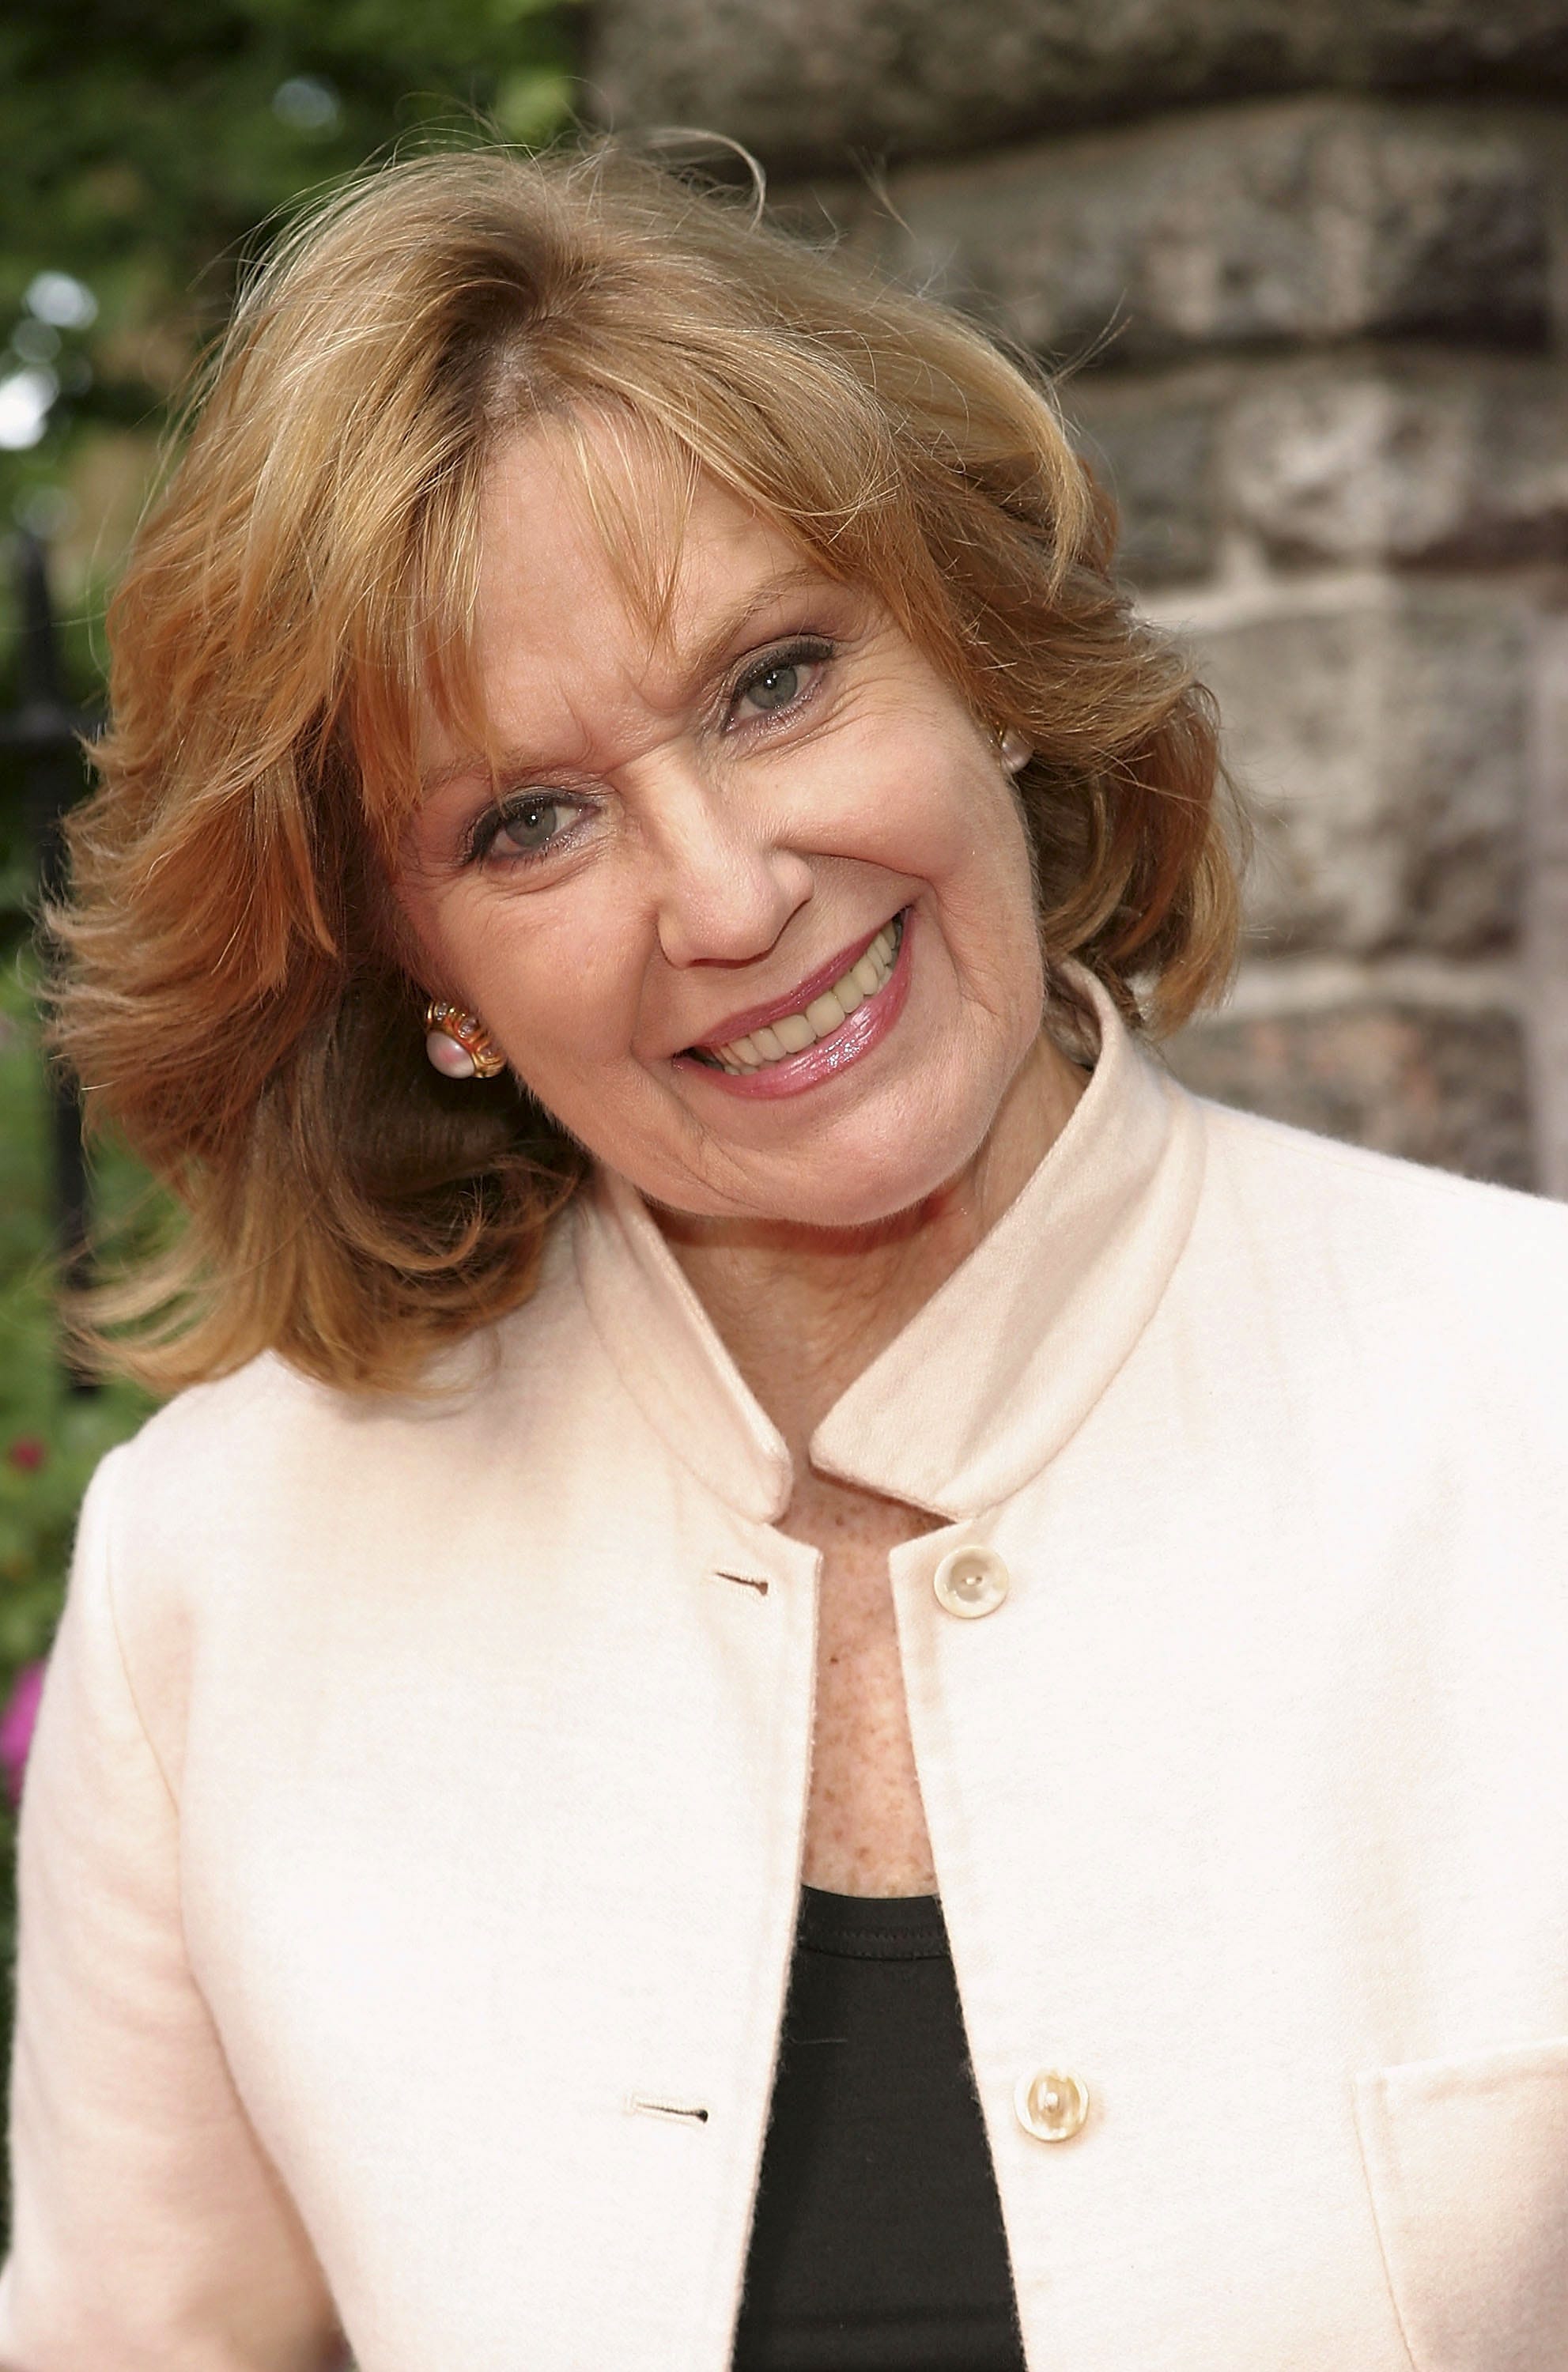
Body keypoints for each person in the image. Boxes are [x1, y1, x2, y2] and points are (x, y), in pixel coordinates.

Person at [3, 138, 1567, 2372]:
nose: (727, 897)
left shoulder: (1540, 1415)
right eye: (523, 822)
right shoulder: (218, 1578)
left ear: (983, 662)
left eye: (774, 681)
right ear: (419, 969)